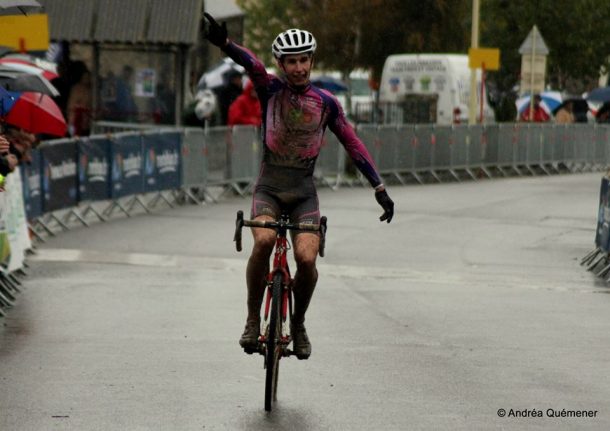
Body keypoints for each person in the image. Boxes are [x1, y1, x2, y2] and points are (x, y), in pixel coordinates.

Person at [204, 13, 395, 359]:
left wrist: (378, 187)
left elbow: (352, 143)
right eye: (291, 62)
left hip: (303, 192)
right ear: (282, 63)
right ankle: (251, 319)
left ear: (311, 61)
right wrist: (225, 44)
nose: (298, 68)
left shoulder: (326, 104)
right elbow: (253, 65)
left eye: (304, 60)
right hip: (270, 188)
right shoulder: (269, 89)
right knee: (262, 241)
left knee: (307, 259)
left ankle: (300, 322)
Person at [66, 61, 93, 136]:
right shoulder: (76, 89)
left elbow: (91, 104)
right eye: (85, 77)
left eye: (88, 77)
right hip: (75, 120)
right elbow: (71, 105)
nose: (87, 79)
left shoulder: (91, 90)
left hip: (87, 121)